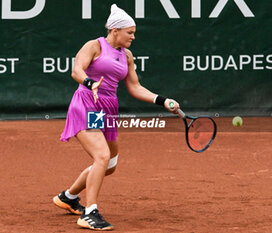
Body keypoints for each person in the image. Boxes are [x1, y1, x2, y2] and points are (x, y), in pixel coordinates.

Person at [53, 4, 180, 231]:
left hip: (108, 109)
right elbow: (76, 71)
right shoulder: (94, 46)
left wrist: (162, 100)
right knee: (101, 156)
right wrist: (90, 83)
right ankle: (90, 213)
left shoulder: (127, 55)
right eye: (129, 32)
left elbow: (135, 87)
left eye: (133, 32)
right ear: (115, 31)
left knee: (109, 164)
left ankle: (69, 197)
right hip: (87, 104)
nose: (133, 36)